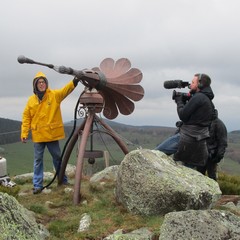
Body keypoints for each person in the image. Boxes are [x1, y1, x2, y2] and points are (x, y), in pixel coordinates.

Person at [21, 71, 81, 194]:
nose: (42, 84)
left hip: (52, 135)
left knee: (57, 158)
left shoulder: (54, 95)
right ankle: (37, 185)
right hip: (38, 136)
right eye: (39, 82)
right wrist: (24, 133)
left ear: (46, 83)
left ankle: (62, 180)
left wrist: (75, 81)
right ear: (35, 85)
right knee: (38, 160)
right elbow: (26, 118)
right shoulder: (31, 101)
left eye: (43, 82)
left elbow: (66, 90)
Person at [156, 73, 215, 168]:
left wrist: (179, 102)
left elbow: (183, 115)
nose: (190, 85)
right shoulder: (207, 100)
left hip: (187, 137)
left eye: (193, 82)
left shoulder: (198, 97)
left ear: (200, 84)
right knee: (187, 171)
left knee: (154, 154)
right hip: (199, 142)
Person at [197, 109, 228, 180]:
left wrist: (218, 157)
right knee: (199, 176)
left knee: (212, 177)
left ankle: (213, 191)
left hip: (212, 157)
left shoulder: (219, 124)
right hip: (201, 155)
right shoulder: (204, 122)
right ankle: (202, 191)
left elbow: (222, 143)